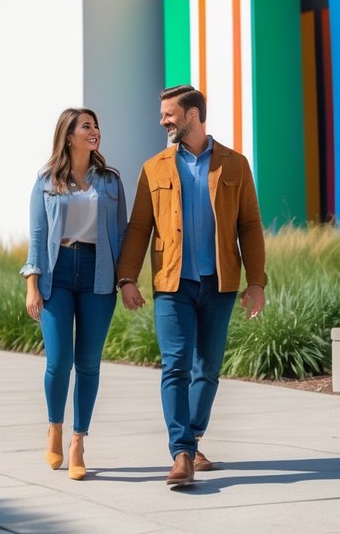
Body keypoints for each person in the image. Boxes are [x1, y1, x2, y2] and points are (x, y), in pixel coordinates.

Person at [116, 84, 267, 487]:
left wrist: (257, 282)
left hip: (220, 283)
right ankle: (181, 453)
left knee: (208, 369)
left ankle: (193, 436)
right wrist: (126, 277)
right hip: (172, 283)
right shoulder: (154, 167)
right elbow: (138, 227)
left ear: (193, 115)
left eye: (169, 114)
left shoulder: (235, 165)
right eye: (163, 113)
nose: (163, 120)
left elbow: (250, 225)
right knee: (175, 365)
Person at [21, 107, 127, 481]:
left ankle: (78, 441)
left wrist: (127, 280)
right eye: (86, 126)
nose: (94, 130)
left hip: (98, 274)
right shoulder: (46, 180)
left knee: (89, 363)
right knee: (59, 361)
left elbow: (123, 234)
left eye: (96, 125)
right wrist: (32, 283)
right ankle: (54, 428)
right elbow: (36, 236)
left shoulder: (111, 181)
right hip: (57, 273)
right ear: (69, 136)